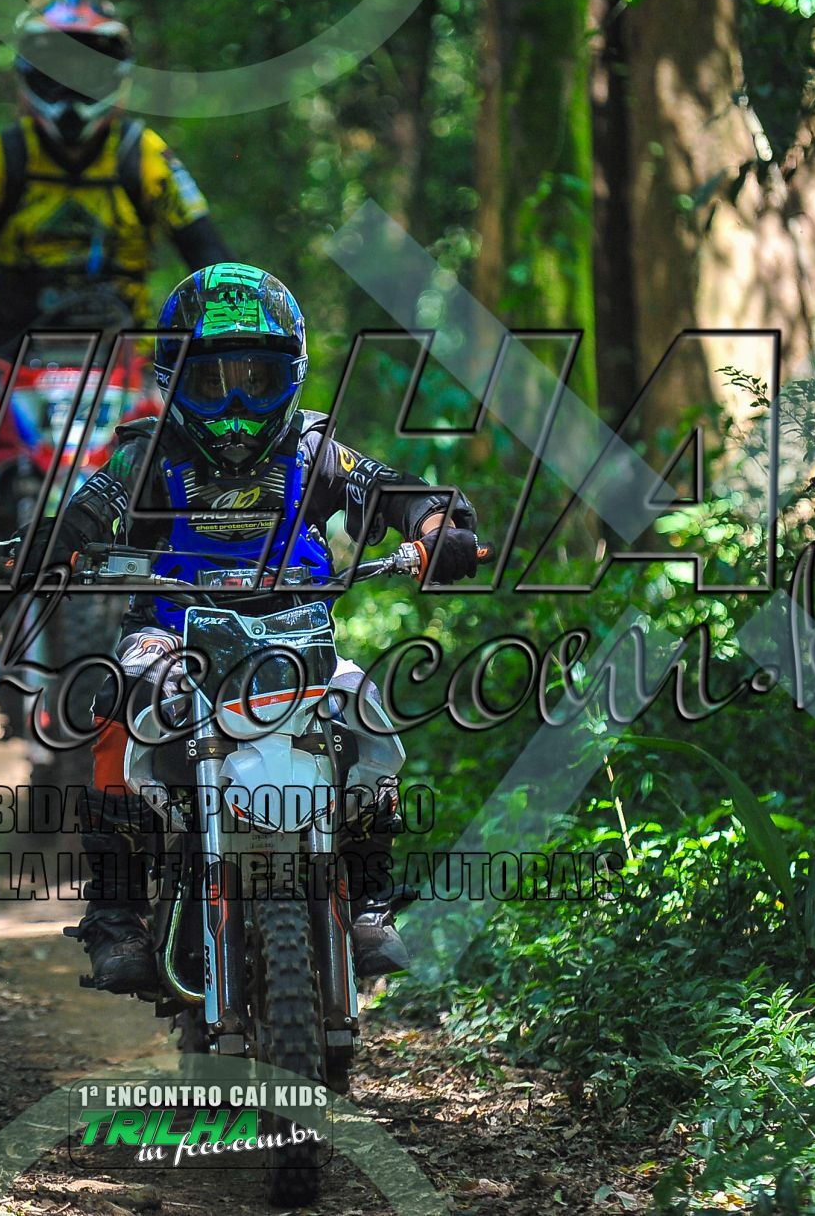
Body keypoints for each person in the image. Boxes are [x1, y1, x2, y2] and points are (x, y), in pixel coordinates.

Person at [29, 262, 483, 993]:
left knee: (365, 712)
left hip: (295, 634)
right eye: (212, 382)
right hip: (172, 634)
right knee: (119, 708)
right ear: (175, 379)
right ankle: (116, 913)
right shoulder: (149, 453)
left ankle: (369, 901)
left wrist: (438, 527)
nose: (236, 403)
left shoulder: (314, 449)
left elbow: (397, 491)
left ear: (290, 377)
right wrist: (58, 542)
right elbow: (91, 506)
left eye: (257, 379)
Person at [0, 0, 233, 720]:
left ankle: (207, 620)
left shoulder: (143, 155)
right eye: (57, 68)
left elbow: (204, 245)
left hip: (124, 359)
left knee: (177, 479)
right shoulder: (1, 156)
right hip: (16, 358)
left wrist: (231, 323)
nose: (71, 86)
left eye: (86, 68)